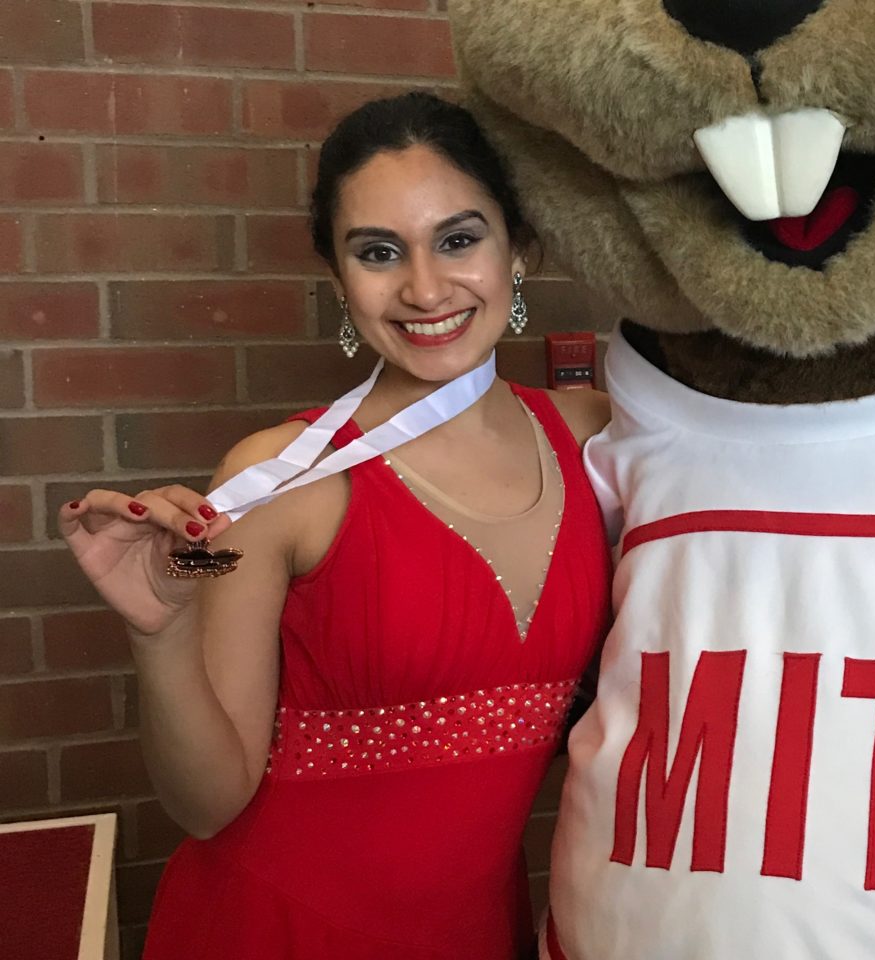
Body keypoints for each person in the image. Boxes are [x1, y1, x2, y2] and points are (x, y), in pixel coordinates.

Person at [60, 92, 612, 960]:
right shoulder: (272, 479)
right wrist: (162, 633)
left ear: (520, 251)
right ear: (338, 280)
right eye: (379, 252)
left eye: (460, 239)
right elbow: (208, 803)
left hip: (478, 932)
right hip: (276, 930)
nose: (425, 287)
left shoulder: (593, 437)